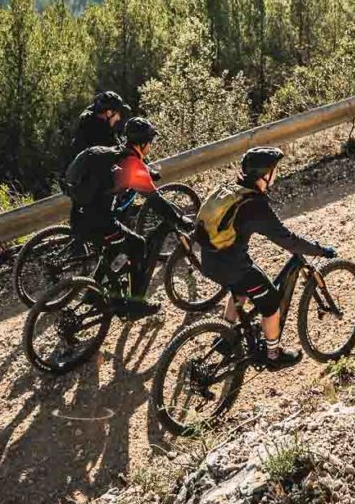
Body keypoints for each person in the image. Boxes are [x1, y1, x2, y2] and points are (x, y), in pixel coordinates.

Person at [191, 146, 334, 370]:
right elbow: (287, 239)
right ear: (264, 174)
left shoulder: (231, 190)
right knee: (271, 303)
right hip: (232, 267)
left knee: (240, 289)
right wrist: (319, 250)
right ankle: (273, 355)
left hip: (209, 260)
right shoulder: (255, 205)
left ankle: (225, 336)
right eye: (274, 170)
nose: (275, 174)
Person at [63, 115, 168, 317]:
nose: (151, 145)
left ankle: (93, 293)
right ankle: (136, 306)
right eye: (150, 141)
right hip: (98, 222)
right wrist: (180, 219)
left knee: (113, 246)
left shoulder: (113, 153)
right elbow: (156, 200)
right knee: (137, 244)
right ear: (143, 143)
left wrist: (146, 171)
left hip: (79, 216)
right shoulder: (130, 163)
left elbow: (129, 167)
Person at [68, 91, 127, 163]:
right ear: (109, 113)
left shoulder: (90, 122)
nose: (119, 118)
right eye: (118, 114)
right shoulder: (97, 132)